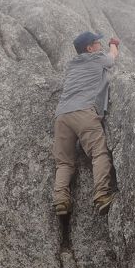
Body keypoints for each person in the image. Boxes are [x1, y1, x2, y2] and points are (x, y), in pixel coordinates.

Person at [52, 31, 120, 216]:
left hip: (62, 115)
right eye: (97, 42)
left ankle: (61, 200)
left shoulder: (72, 65)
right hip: (83, 112)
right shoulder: (96, 58)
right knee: (98, 153)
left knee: (64, 162)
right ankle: (101, 195)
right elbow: (112, 57)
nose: (100, 45)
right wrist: (113, 43)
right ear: (89, 48)